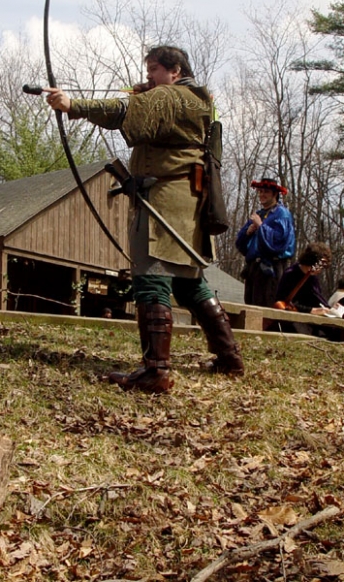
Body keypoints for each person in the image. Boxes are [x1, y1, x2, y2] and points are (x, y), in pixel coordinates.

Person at [45, 44, 244, 394]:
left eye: (153, 69)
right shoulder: (193, 99)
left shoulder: (172, 96)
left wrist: (72, 105)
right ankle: (229, 359)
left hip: (167, 201)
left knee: (151, 276)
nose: (148, 75)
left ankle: (156, 371)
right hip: (186, 202)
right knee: (187, 282)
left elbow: (124, 110)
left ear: (175, 71)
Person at [235, 177, 295, 307]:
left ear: (275, 194)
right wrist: (248, 233)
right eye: (260, 191)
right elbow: (240, 243)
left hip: (271, 268)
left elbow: (279, 242)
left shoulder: (282, 214)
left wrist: (261, 227)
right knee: (251, 306)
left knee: (267, 306)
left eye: (266, 192)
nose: (262, 195)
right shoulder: (259, 214)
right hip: (254, 268)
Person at [275, 243, 332, 316]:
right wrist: (310, 310)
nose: (320, 271)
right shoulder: (291, 274)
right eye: (321, 266)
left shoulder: (313, 278)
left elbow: (317, 299)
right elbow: (284, 301)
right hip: (290, 319)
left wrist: (331, 309)